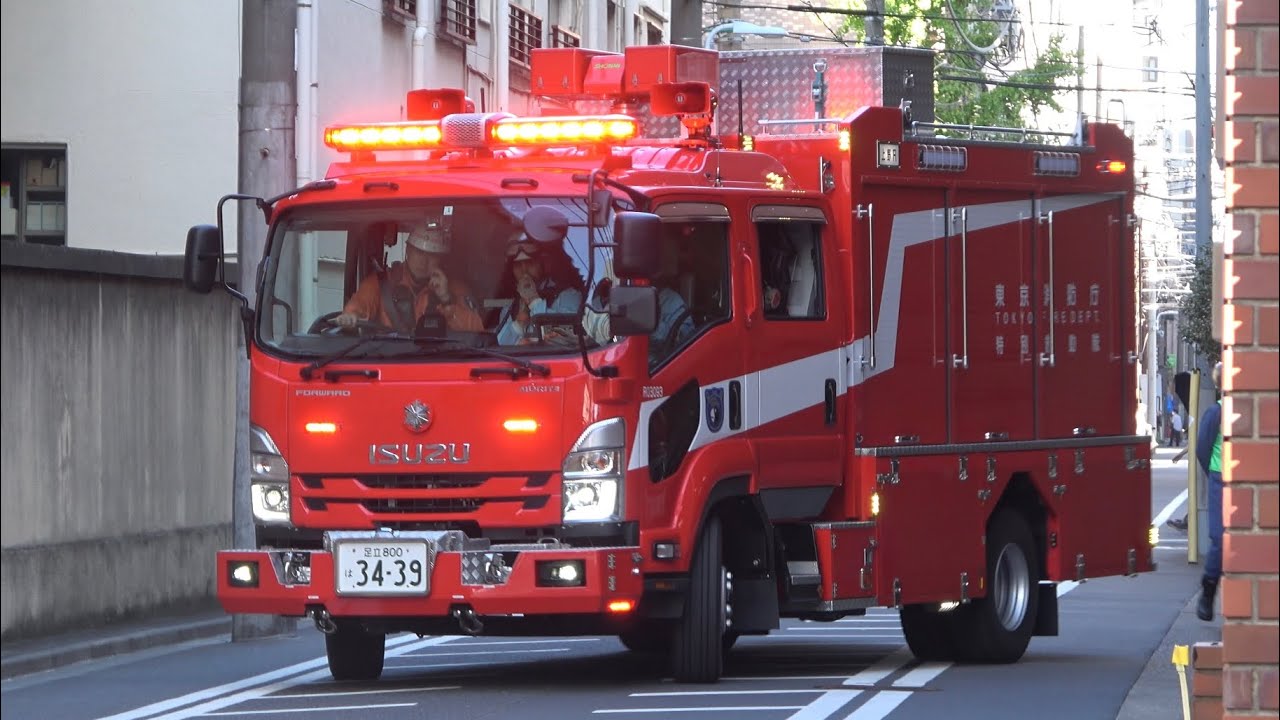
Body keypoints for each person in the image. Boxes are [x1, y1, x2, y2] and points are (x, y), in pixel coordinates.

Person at [334, 221, 483, 335]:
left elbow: (476, 332)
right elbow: (354, 310)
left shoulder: (455, 288)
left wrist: (446, 300)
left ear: (441, 259)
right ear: (408, 250)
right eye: (419, 252)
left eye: (432, 256)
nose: (424, 261)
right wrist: (350, 317)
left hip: (438, 364)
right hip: (388, 362)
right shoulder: (380, 283)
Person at [496, 233, 585, 345]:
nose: (524, 270)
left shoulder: (568, 296)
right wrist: (518, 323)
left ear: (544, 264)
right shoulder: (510, 307)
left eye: (530, 263)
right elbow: (498, 346)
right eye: (518, 265)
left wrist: (535, 302)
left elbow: (569, 338)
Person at [1195, 362, 1224, 622]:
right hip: (1221, 478)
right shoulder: (1216, 413)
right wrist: (1214, 473)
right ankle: (1208, 590)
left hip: (1235, 480)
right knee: (1220, 539)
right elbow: (1202, 449)